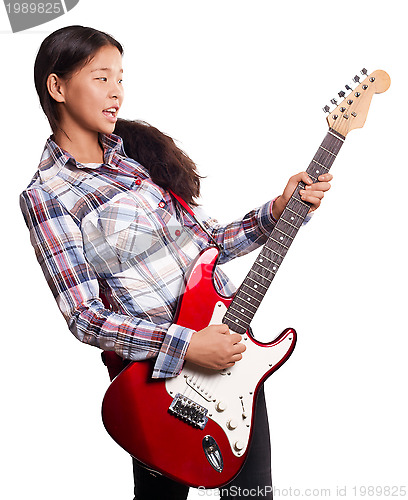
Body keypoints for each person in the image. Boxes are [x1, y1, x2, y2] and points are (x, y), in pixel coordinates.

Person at [20, 25, 332, 500]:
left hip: (230, 361)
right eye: (101, 77)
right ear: (57, 87)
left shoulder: (136, 159)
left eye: (120, 78)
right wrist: (187, 345)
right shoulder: (48, 195)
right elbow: (84, 318)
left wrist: (280, 208)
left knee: (254, 497)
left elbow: (208, 243)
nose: (117, 91)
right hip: (158, 386)